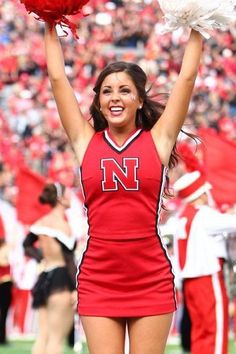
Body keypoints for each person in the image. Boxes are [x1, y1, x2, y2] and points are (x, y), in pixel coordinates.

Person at [44, 21, 203, 354]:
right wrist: (48, 21)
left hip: (151, 276)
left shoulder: (159, 140)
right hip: (99, 277)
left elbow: (186, 80)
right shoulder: (84, 142)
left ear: (140, 100)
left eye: (124, 90)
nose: (115, 98)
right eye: (107, 91)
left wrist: (198, 23)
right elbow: (58, 80)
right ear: (99, 102)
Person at [173, 170, 236, 354]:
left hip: (189, 283)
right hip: (207, 278)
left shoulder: (182, 216)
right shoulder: (204, 215)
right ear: (200, 194)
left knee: (198, 334)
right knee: (215, 331)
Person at [23, 182, 77, 354]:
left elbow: (27, 244)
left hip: (44, 278)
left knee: (43, 336)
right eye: (68, 195)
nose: (70, 198)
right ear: (60, 199)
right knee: (56, 339)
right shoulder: (63, 226)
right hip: (61, 280)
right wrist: (76, 288)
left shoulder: (41, 222)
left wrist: (42, 258)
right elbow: (69, 260)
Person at [0, 236, 13, 345]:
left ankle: (3, 337)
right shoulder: (3, 255)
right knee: (3, 313)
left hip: (7, 284)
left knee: (4, 313)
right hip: (4, 285)